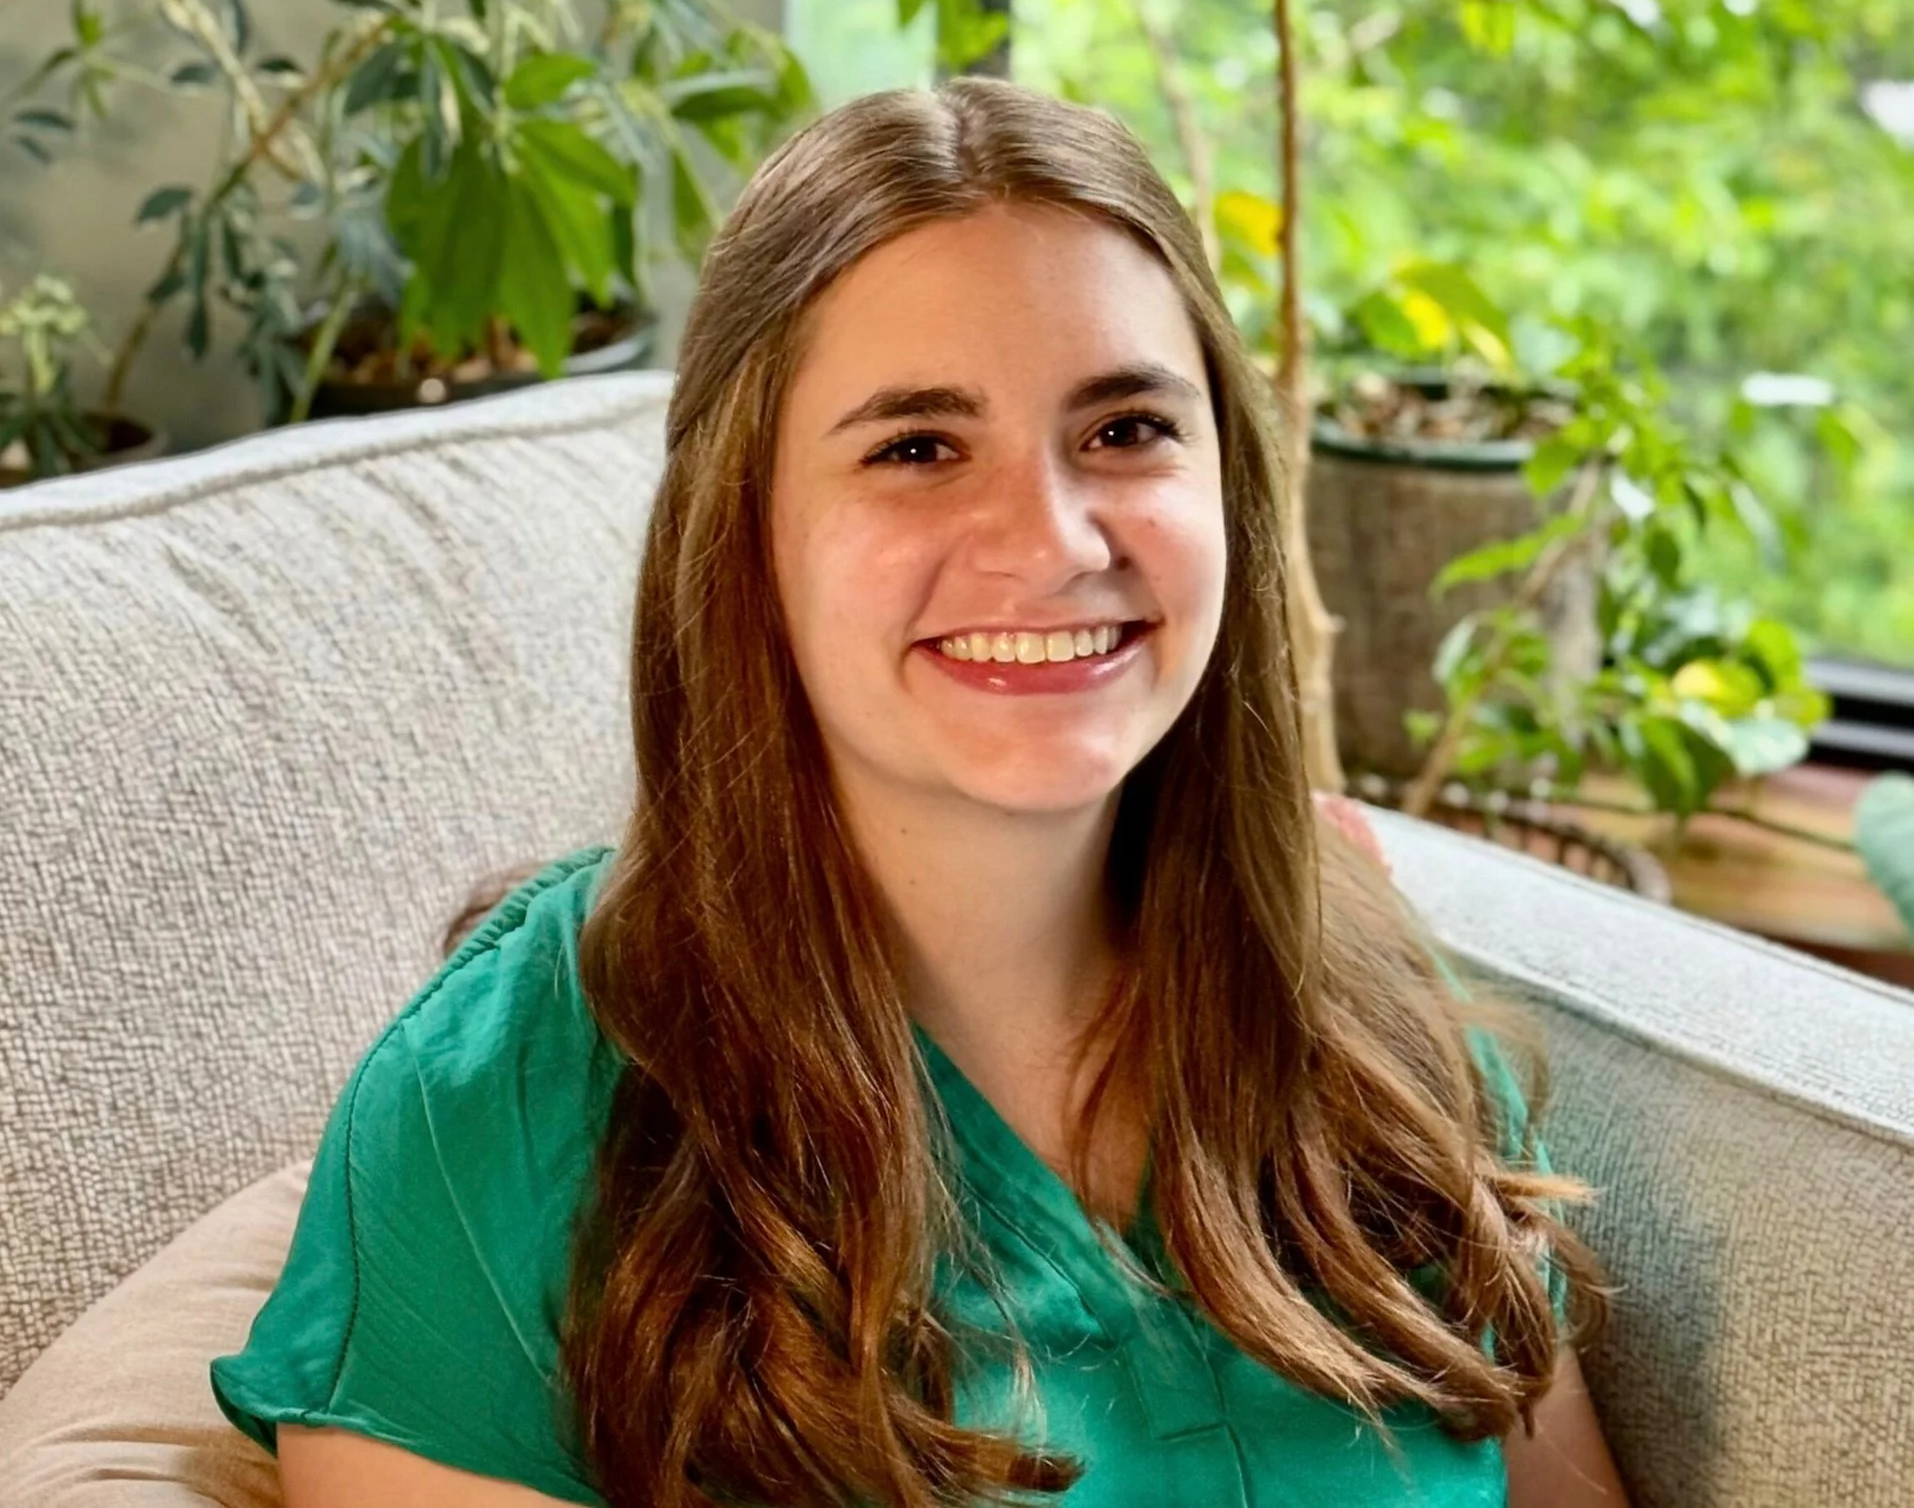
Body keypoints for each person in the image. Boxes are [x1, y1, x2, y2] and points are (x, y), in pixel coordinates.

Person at [210, 77, 1631, 1507]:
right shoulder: (509, 1094)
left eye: (1125, 428)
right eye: (914, 448)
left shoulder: (1367, 1019)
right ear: (742, 526)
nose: (1048, 537)